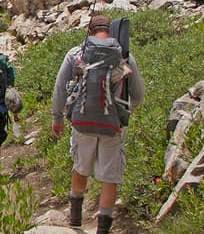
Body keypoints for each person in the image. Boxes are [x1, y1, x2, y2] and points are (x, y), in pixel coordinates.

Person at [51, 14, 145, 234]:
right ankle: (103, 228)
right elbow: (138, 95)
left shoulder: (77, 54)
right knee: (109, 177)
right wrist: (124, 110)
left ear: (89, 30)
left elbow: (60, 89)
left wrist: (57, 117)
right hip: (113, 125)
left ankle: (75, 218)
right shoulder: (124, 56)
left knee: (81, 166)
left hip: (82, 122)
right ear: (110, 31)